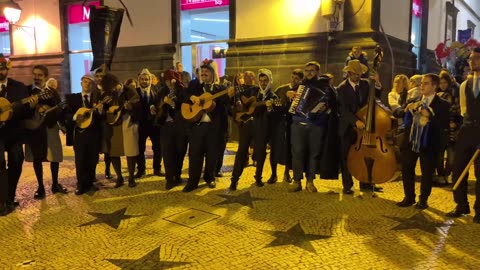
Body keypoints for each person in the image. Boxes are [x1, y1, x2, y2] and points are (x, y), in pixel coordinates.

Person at [396, 74, 450, 209]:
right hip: (411, 141)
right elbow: (398, 112)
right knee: (407, 169)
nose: (422, 86)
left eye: (426, 83)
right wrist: (406, 108)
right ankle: (409, 197)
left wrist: (430, 116)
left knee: (427, 172)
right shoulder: (414, 99)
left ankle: (423, 200)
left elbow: (443, 125)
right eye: (422, 83)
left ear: (434, 86)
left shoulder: (443, 104)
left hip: (429, 143)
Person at [183, 59, 233, 192]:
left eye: (207, 71)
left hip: (214, 128)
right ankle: (192, 182)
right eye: (202, 71)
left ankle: (209, 177)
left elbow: (227, 105)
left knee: (212, 155)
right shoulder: (195, 85)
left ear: (213, 73)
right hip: (197, 126)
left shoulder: (220, 88)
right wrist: (192, 97)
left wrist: (230, 96)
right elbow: (184, 95)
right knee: (195, 155)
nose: (203, 73)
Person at [288, 62, 337, 192]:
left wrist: (324, 108)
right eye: (307, 70)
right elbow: (289, 104)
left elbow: (333, 103)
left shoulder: (325, 86)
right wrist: (290, 96)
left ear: (317, 72)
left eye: (312, 70)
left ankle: (310, 181)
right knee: (297, 153)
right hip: (298, 123)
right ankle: (297, 180)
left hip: (316, 124)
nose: (309, 72)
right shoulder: (299, 86)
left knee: (314, 154)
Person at [336, 60, 383, 194]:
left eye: (360, 74)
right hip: (347, 127)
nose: (358, 76)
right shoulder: (341, 88)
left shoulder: (366, 84)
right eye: (355, 74)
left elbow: (376, 98)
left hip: (364, 126)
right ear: (349, 73)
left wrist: (378, 83)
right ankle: (348, 185)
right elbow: (342, 110)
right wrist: (355, 121)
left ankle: (366, 183)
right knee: (346, 157)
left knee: (365, 154)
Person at [447, 47, 480, 222]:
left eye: (476, 58)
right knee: (458, 169)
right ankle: (461, 205)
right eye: (470, 58)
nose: (472, 61)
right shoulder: (465, 85)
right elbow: (464, 110)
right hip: (466, 131)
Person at [24, 65, 68, 200]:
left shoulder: (52, 92)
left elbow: (60, 109)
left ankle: (55, 184)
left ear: (45, 77)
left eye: (40, 75)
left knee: (54, 157)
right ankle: (40, 187)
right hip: (35, 130)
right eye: (35, 74)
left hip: (50, 128)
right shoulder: (27, 91)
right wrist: (33, 108)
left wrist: (55, 113)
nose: (36, 77)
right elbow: (22, 111)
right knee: (37, 157)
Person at [0, 54, 30, 215]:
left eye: (3, 68)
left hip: (14, 133)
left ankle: (9, 196)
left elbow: (26, 112)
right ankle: (2, 200)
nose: (0, 71)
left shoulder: (19, 87)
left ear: (7, 70)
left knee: (16, 162)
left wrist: (24, 107)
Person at [64, 74, 102, 195]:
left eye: (90, 82)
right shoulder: (72, 98)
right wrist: (75, 117)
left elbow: (102, 118)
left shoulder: (97, 99)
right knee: (80, 160)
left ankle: (90, 183)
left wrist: (100, 110)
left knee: (92, 159)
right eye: (85, 82)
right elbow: (66, 114)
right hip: (79, 134)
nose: (87, 84)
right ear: (81, 83)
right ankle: (80, 185)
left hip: (94, 134)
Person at [103, 73, 141, 188]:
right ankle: (119, 177)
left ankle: (131, 177)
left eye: (114, 87)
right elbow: (106, 109)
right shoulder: (108, 94)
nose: (113, 90)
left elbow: (139, 106)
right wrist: (104, 109)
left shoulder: (130, 91)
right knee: (114, 152)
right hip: (113, 125)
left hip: (128, 123)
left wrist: (132, 108)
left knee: (130, 151)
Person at [272, 69, 304, 183]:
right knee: (276, 147)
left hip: (293, 122)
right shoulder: (282, 88)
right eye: (293, 77)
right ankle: (273, 173)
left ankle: (286, 173)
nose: (294, 80)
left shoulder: (302, 91)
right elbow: (274, 101)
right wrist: (286, 95)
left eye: (297, 79)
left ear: (301, 80)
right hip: (280, 122)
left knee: (290, 148)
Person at [157, 70, 186, 189]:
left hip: (180, 127)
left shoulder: (182, 91)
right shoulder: (162, 91)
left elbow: (185, 105)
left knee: (180, 152)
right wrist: (156, 106)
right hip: (166, 126)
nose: (168, 83)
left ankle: (177, 175)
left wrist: (173, 104)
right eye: (166, 81)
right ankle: (169, 179)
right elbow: (156, 101)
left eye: (170, 80)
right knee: (167, 153)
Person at [135, 68, 163, 178]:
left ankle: (157, 169)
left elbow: (160, 105)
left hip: (154, 124)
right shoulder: (134, 92)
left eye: (146, 79)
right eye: (142, 79)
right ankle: (141, 170)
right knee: (140, 148)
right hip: (140, 124)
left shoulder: (157, 91)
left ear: (150, 80)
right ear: (139, 80)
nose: (144, 81)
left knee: (157, 147)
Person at [94, 67, 112, 179]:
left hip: (105, 122)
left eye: (101, 76)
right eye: (97, 76)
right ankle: (93, 172)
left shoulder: (109, 91)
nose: (99, 78)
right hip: (94, 123)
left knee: (107, 148)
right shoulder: (92, 90)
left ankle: (107, 169)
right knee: (94, 148)